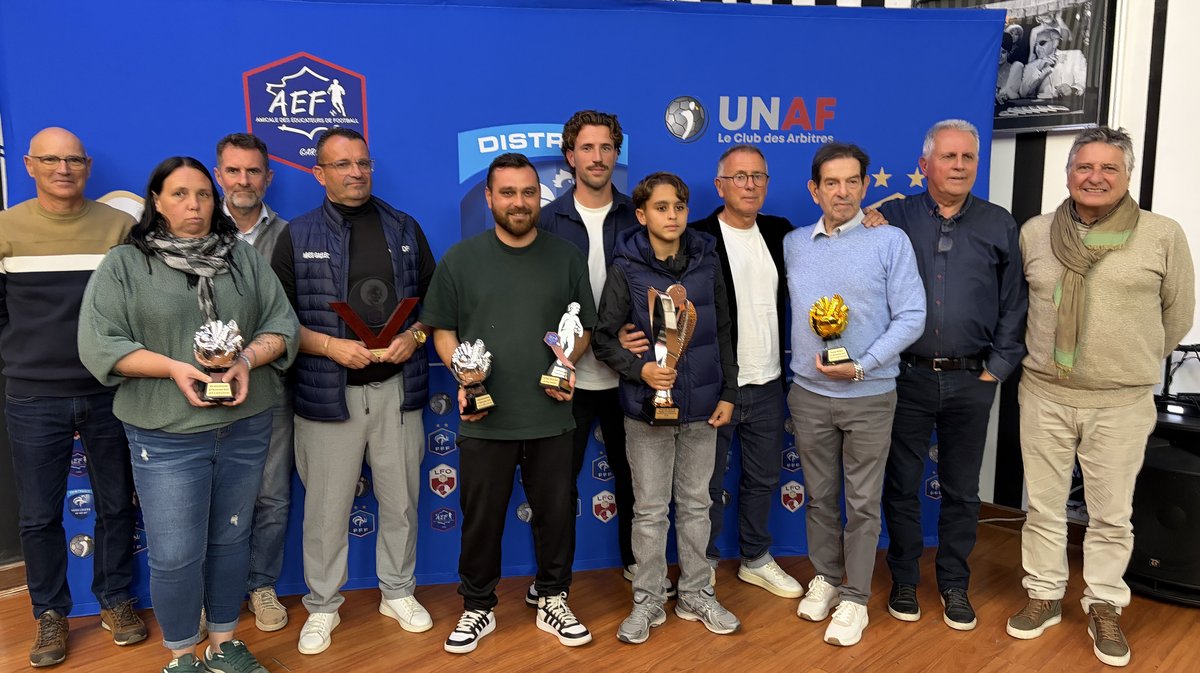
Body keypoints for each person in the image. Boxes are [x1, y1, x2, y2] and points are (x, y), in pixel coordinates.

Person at [77, 156, 298, 673]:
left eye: (201, 194)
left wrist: (246, 359)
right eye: (179, 194)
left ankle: (224, 643)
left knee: (231, 536)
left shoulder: (241, 259)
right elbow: (98, 343)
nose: (193, 205)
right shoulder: (125, 264)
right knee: (176, 552)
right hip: (166, 434)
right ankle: (182, 654)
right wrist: (174, 369)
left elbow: (281, 324)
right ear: (156, 201)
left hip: (245, 424)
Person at [1008, 127, 1194, 668]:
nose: (1095, 178)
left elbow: (1176, 317)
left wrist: (1125, 361)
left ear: (1127, 176)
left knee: (1111, 515)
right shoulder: (1036, 233)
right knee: (1043, 507)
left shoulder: (1162, 235)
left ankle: (1104, 604)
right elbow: (1022, 306)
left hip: (1121, 402)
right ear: (1068, 174)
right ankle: (1043, 593)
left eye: (1109, 168)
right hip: (1045, 393)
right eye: (1085, 167)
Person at [270, 127, 436, 655]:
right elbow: (274, 323)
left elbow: (436, 304)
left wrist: (416, 337)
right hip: (327, 396)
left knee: (401, 503)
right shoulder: (296, 236)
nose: (355, 173)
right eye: (341, 165)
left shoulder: (405, 228)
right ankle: (322, 606)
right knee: (325, 510)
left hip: (396, 391)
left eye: (362, 163)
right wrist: (326, 346)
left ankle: (398, 591)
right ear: (319, 173)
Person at [423, 153, 596, 654]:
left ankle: (553, 597)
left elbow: (580, 326)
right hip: (485, 415)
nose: (519, 203)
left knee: (557, 514)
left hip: (551, 413)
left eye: (528, 193)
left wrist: (568, 363)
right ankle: (478, 606)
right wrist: (462, 371)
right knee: (481, 516)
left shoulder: (565, 256)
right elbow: (442, 328)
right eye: (508, 193)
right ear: (489, 197)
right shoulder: (461, 259)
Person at [0, 127, 142, 668]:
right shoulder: (5, 230)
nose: (64, 168)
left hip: (110, 392)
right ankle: (51, 614)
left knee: (115, 505)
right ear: (30, 166)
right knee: (38, 516)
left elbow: (136, 306)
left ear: (86, 167)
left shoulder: (120, 229)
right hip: (34, 397)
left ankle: (115, 600)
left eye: (74, 159)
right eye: (51, 159)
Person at [877, 120, 1027, 631]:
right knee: (900, 485)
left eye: (967, 158)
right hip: (906, 377)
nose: (959, 166)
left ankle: (954, 584)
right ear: (925, 165)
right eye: (948, 157)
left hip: (972, 379)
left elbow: (1015, 303)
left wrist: (998, 368)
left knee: (963, 490)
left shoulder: (999, 223)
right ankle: (903, 578)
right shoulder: (890, 217)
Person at [784, 142, 925, 647]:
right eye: (831, 182)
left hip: (869, 394)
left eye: (851, 182)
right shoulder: (795, 244)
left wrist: (863, 365)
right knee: (821, 498)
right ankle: (825, 575)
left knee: (863, 503)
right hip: (807, 393)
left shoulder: (890, 242)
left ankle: (855, 598)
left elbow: (912, 315)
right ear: (814, 189)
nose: (841, 192)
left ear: (865, 188)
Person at [593, 172, 739, 644]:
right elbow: (602, 338)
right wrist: (641, 371)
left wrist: (729, 391)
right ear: (642, 215)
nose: (671, 215)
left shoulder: (707, 259)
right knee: (651, 511)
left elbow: (725, 332)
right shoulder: (627, 267)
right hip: (647, 410)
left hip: (702, 409)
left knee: (697, 506)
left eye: (678, 206)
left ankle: (697, 591)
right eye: (660, 207)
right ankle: (649, 599)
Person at [538, 110, 646, 598]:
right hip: (569, 378)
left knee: (638, 483)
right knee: (557, 487)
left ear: (616, 154)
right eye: (587, 148)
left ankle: (637, 568)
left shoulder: (638, 215)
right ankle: (551, 582)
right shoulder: (546, 220)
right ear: (570, 156)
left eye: (606, 148)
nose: (597, 157)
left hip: (629, 374)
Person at [689, 145, 800, 598]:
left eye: (758, 176)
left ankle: (755, 557)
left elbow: (834, 243)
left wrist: (876, 216)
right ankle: (704, 564)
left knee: (763, 479)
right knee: (705, 484)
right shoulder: (696, 237)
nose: (750, 184)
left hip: (770, 382)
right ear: (720, 186)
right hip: (716, 386)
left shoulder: (780, 233)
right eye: (739, 177)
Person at [213, 132, 293, 633]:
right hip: (200, 391)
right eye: (234, 171)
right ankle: (208, 593)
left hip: (270, 387)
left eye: (254, 171)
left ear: (269, 176)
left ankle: (262, 585)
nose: (244, 180)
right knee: (206, 495)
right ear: (219, 174)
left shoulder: (290, 235)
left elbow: (293, 316)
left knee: (271, 493)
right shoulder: (193, 230)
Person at [1019, 27, 1086, 100]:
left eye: (1042, 43)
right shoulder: (1031, 66)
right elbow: (1023, 94)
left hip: (1068, 106)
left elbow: (1082, 83)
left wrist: (1072, 89)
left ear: (1055, 43)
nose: (1037, 48)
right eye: (1035, 45)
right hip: (1041, 109)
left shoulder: (1074, 56)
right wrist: (1038, 70)